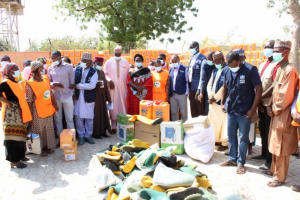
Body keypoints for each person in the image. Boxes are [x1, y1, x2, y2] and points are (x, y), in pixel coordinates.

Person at [220, 51, 262, 174]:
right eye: (229, 66)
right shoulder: (227, 70)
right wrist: (223, 103)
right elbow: (224, 87)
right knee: (231, 135)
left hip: (245, 110)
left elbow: (259, 88)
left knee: (243, 137)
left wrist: (253, 109)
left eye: (233, 66)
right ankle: (232, 159)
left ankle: (241, 162)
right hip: (231, 109)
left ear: (239, 61)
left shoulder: (250, 70)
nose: (231, 68)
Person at [264, 40, 298, 187]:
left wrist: (275, 108)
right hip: (276, 112)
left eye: (278, 51)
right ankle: (274, 170)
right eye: (274, 50)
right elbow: (275, 90)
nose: (275, 53)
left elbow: (286, 95)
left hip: (283, 113)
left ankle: (280, 177)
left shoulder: (290, 71)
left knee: (282, 145)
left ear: (286, 53)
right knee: (275, 142)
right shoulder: (280, 69)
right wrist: (269, 105)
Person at [251, 40, 278, 171]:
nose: (267, 49)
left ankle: (269, 160)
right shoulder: (263, 64)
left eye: (270, 47)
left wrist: (260, 98)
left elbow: (274, 85)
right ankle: (263, 153)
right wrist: (258, 101)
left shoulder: (276, 65)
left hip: (269, 104)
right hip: (260, 103)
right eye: (266, 47)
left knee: (269, 132)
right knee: (262, 130)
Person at [0, 63, 32, 168]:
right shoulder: (6, 82)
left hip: (19, 112)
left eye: (18, 68)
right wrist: (7, 102)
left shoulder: (16, 82)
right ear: (9, 71)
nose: (18, 71)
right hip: (11, 114)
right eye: (15, 69)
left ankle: (21, 155)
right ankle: (14, 160)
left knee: (21, 135)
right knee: (13, 136)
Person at [25, 61, 58, 157]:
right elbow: (29, 100)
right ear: (36, 70)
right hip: (37, 111)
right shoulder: (29, 83)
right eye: (41, 68)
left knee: (49, 129)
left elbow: (50, 93)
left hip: (48, 108)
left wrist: (55, 104)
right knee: (39, 130)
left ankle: (48, 147)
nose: (43, 69)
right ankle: (39, 149)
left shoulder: (45, 79)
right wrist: (29, 114)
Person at [48, 50, 75, 136]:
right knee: (58, 119)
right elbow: (48, 82)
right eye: (52, 59)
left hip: (67, 96)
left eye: (55, 59)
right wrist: (54, 83)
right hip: (56, 97)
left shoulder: (69, 67)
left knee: (69, 119)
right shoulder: (50, 68)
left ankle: (71, 139)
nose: (53, 61)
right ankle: (61, 139)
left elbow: (72, 82)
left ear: (60, 58)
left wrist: (71, 93)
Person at [103, 46, 130, 134]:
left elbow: (128, 75)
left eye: (119, 53)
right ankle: (114, 126)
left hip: (123, 88)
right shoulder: (108, 62)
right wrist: (109, 81)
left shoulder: (125, 62)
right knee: (113, 106)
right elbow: (105, 74)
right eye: (116, 53)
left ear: (121, 53)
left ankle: (123, 124)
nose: (117, 55)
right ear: (113, 52)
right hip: (112, 88)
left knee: (123, 104)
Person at [74, 52, 98, 145]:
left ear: (90, 62)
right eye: (82, 60)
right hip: (78, 97)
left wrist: (78, 86)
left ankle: (88, 135)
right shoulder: (77, 69)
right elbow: (72, 82)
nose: (83, 62)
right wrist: (75, 89)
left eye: (85, 61)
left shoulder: (93, 71)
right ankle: (81, 136)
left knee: (89, 117)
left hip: (88, 97)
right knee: (78, 117)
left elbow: (92, 85)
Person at [207, 51, 228, 152]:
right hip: (213, 101)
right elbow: (210, 84)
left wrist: (215, 97)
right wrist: (210, 94)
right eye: (214, 61)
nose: (215, 62)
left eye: (217, 60)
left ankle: (224, 143)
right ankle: (216, 140)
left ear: (222, 59)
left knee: (223, 123)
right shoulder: (215, 70)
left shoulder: (228, 69)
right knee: (214, 121)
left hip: (221, 101)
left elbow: (225, 87)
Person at [92, 56, 112, 139]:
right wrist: (96, 83)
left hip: (103, 96)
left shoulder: (102, 73)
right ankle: (96, 133)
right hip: (95, 96)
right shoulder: (92, 72)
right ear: (94, 63)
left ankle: (103, 131)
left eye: (101, 64)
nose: (99, 65)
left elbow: (106, 87)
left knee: (103, 113)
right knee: (97, 114)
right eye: (98, 64)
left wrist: (108, 97)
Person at [188, 41, 208, 117]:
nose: (190, 49)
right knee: (193, 111)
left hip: (198, 90)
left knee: (200, 111)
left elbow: (203, 76)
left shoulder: (203, 59)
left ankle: (202, 128)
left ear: (197, 47)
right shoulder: (192, 58)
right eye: (190, 48)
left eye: (192, 47)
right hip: (191, 88)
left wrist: (200, 90)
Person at [169, 55, 188, 122]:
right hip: (172, 94)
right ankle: (175, 127)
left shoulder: (184, 69)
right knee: (174, 112)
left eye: (175, 61)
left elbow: (187, 81)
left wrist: (187, 92)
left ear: (179, 60)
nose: (174, 62)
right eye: (173, 61)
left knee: (184, 112)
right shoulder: (170, 70)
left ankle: (185, 128)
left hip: (182, 94)